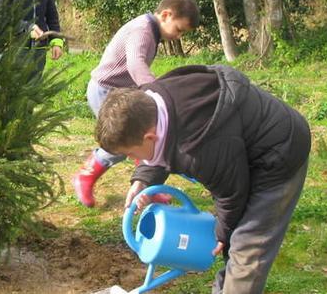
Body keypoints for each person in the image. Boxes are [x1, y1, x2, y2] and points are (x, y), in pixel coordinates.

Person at [95, 65, 310, 293]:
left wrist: (222, 234)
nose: (130, 159)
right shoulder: (150, 102)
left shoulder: (197, 149)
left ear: (150, 136)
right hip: (238, 144)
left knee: (247, 244)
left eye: (130, 153)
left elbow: (231, 194)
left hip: (280, 152)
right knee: (234, 244)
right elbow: (161, 147)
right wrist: (143, 179)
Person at [72, 0, 199, 207]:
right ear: (166, 15)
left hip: (120, 92)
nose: (178, 37)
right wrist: (157, 91)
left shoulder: (150, 30)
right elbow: (135, 64)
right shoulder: (142, 30)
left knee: (143, 139)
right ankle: (85, 175)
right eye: (179, 30)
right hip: (105, 90)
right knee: (125, 140)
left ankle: (148, 187)